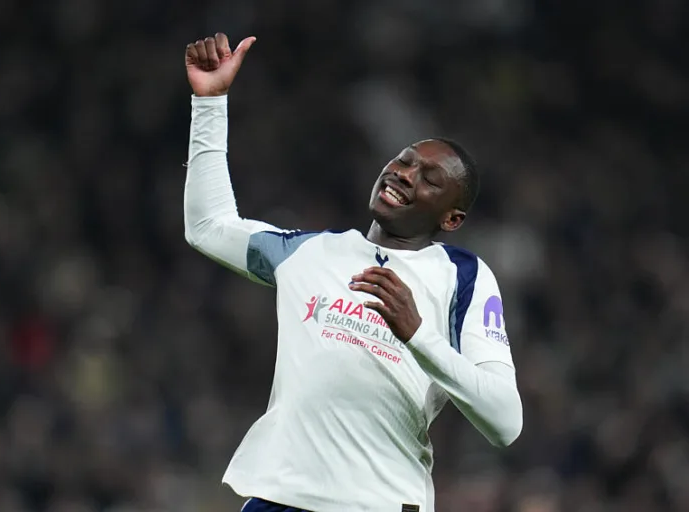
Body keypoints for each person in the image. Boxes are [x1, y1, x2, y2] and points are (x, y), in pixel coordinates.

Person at [184, 33, 523, 512]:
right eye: (404, 160)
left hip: (377, 502)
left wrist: (419, 336)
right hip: (278, 497)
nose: (405, 173)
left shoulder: (463, 277)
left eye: (429, 179)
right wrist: (210, 103)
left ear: (452, 219)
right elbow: (209, 226)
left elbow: (506, 422)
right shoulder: (309, 253)